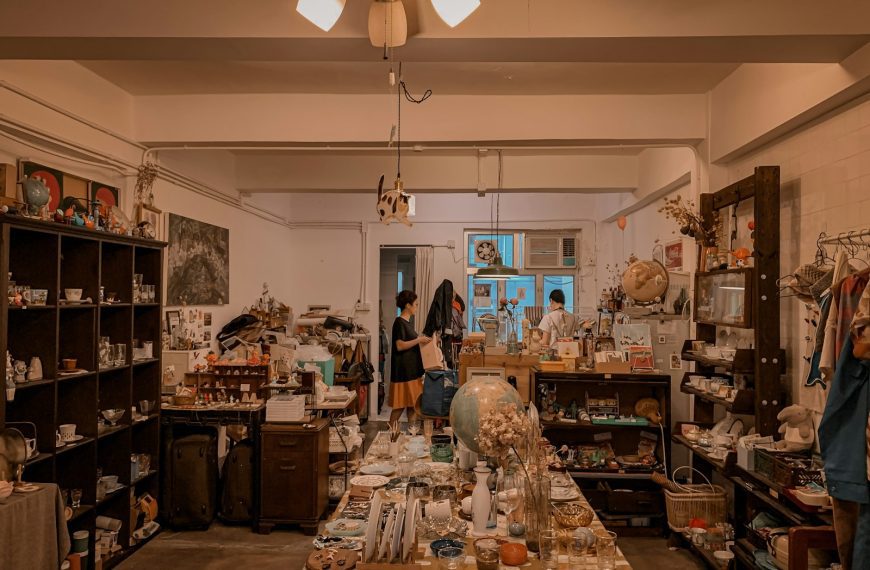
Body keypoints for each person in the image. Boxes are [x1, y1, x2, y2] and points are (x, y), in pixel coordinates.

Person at [390, 290, 431, 426]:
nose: (417, 306)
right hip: (404, 373)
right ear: (408, 305)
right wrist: (419, 339)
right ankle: (391, 436)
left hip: (412, 372)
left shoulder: (406, 323)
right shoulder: (399, 323)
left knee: (413, 406)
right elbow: (400, 345)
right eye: (416, 304)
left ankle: (411, 438)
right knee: (400, 406)